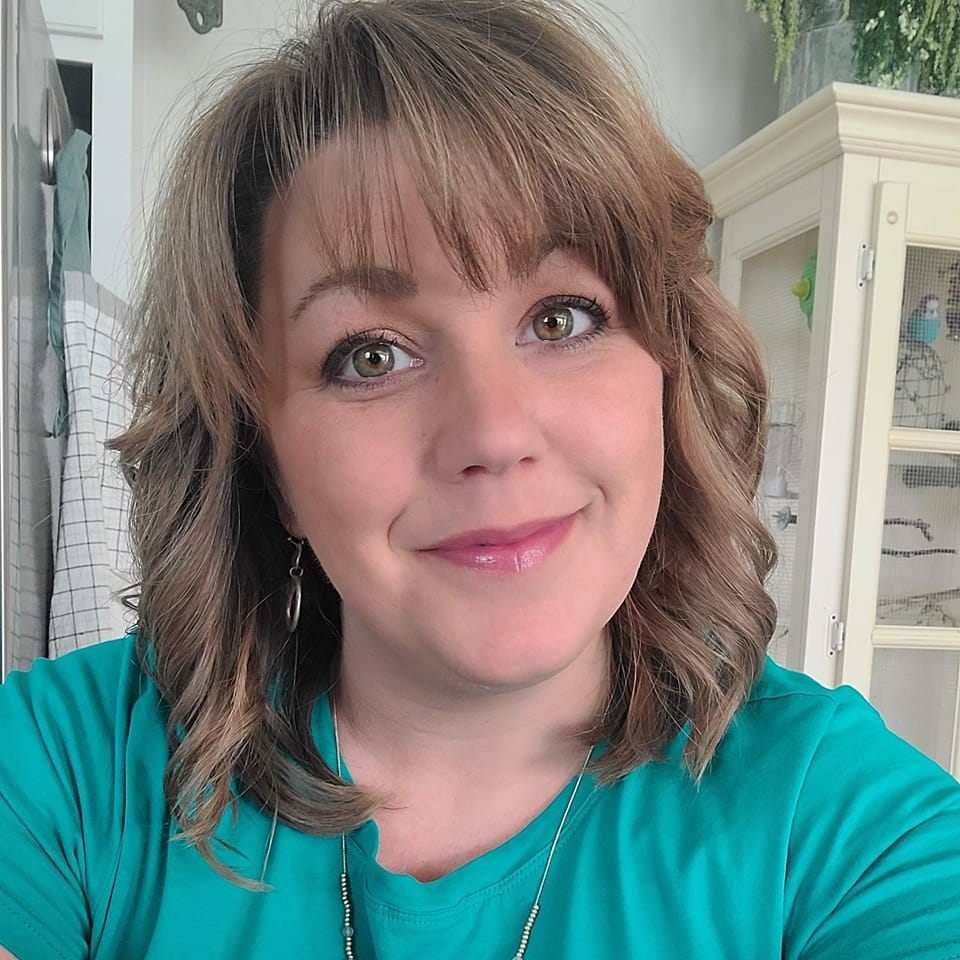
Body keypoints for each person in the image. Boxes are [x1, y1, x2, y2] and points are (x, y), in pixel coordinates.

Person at [2, 1, 960, 957]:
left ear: (666, 378)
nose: (494, 435)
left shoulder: (850, 834)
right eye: (370, 356)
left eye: (561, 319)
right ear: (270, 459)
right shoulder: (65, 773)